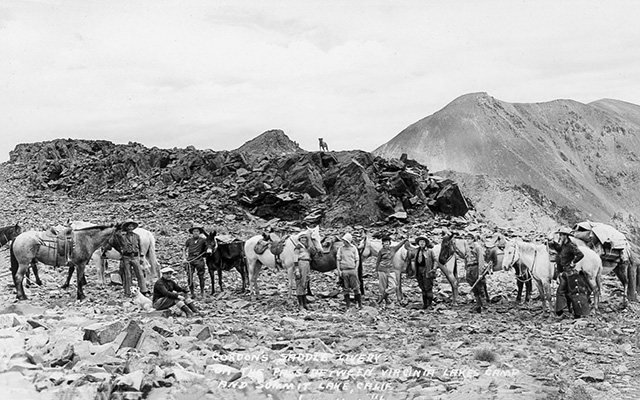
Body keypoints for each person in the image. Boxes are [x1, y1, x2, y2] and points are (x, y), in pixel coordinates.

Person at [554, 227, 587, 318]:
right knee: (565, 292)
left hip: (570, 272)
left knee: (568, 291)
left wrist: (573, 262)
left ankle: (574, 313)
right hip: (564, 272)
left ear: (565, 236)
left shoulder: (571, 245)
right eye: (559, 235)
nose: (560, 237)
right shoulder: (563, 246)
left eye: (561, 235)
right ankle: (565, 311)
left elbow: (580, 254)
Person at [114, 219, 148, 297]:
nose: (130, 227)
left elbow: (141, 246)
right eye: (129, 226)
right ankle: (128, 292)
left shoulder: (137, 236)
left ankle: (143, 290)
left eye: (132, 226)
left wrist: (142, 256)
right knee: (128, 275)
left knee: (139, 273)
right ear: (126, 227)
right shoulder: (122, 237)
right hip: (126, 257)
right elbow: (116, 237)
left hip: (135, 256)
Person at [375, 235, 407, 307]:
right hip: (382, 269)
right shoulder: (381, 251)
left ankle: (383, 296)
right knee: (382, 286)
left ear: (389, 243)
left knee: (393, 286)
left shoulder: (393, 249)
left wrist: (404, 240)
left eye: (387, 242)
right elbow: (378, 261)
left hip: (391, 270)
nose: (386, 244)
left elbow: (399, 245)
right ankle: (384, 301)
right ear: (382, 244)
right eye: (384, 243)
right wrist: (376, 271)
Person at [336, 233, 361, 309]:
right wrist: (339, 270)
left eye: (345, 241)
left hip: (352, 269)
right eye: (343, 241)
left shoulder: (354, 248)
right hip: (344, 270)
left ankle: (359, 304)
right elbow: (338, 259)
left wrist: (356, 269)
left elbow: (357, 259)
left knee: (356, 287)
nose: (344, 242)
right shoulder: (341, 248)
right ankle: (348, 305)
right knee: (345, 288)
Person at [464, 233, 487, 313]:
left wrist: (480, 272)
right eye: (467, 238)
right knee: (474, 287)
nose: (468, 240)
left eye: (469, 238)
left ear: (473, 239)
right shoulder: (467, 248)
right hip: (469, 268)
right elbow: (466, 259)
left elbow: (481, 260)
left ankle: (484, 306)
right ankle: (478, 305)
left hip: (476, 267)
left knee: (479, 286)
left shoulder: (477, 247)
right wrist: (466, 269)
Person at [414, 235, 437, 309]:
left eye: (423, 242)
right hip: (419, 271)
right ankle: (425, 304)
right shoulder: (416, 251)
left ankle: (430, 304)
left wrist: (434, 269)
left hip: (427, 270)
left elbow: (435, 260)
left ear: (426, 243)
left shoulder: (430, 251)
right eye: (420, 242)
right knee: (422, 287)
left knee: (429, 287)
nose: (422, 243)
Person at [183, 225, 207, 298]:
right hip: (190, 260)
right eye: (194, 231)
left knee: (201, 276)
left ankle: (202, 292)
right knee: (189, 277)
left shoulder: (203, 240)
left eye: (197, 231)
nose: (195, 233)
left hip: (199, 260)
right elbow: (184, 249)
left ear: (199, 232)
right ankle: (192, 293)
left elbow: (209, 245)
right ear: (192, 233)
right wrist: (184, 258)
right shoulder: (189, 240)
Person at [293, 234, 313, 311]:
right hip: (301, 263)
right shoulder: (298, 248)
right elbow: (295, 259)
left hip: (307, 264)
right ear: (300, 239)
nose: (304, 240)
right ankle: (300, 304)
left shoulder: (306, 248)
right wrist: (297, 269)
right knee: (300, 283)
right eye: (302, 238)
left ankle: (305, 303)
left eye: (305, 238)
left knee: (305, 283)